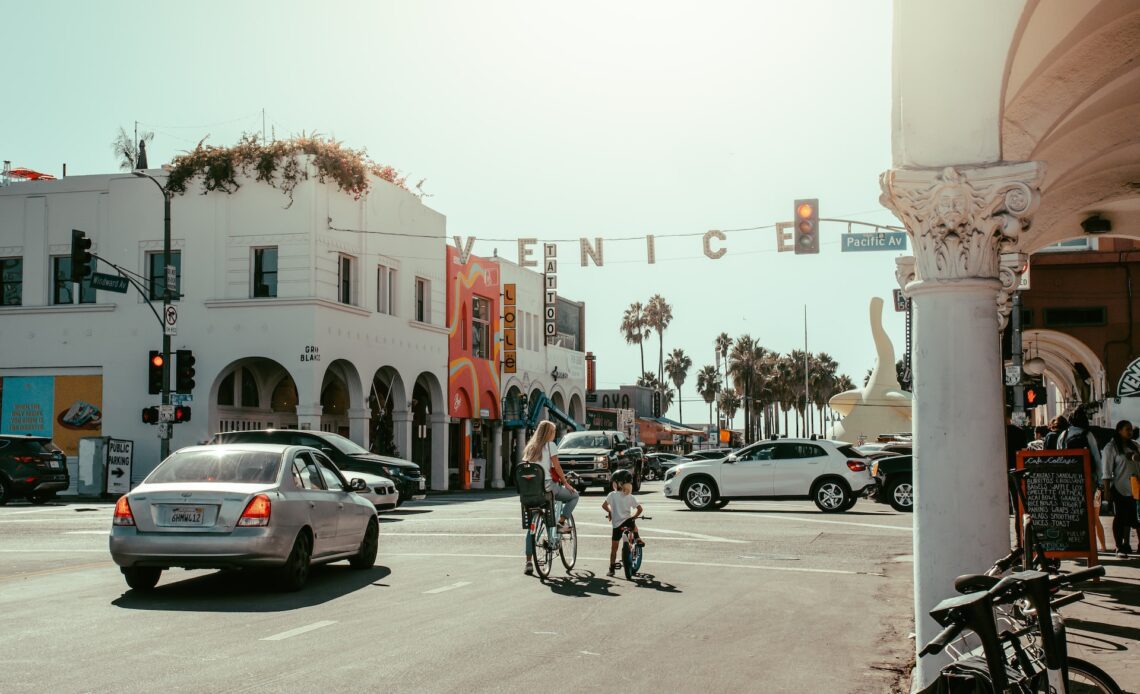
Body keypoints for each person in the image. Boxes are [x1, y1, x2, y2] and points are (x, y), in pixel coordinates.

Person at [521, 420, 579, 575]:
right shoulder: (550, 445)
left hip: (531, 491)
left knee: (531, 528)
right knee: (574, 496)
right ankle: (561, 522)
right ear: (548, 433)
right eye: (553, 432)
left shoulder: (530, 448)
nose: (554, 435)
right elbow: (557, 466)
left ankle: (528, 562)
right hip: (548, 488)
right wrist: (566, 483)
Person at [1060, 407, 1108, 553]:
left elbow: (1059, 457)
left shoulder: (1064, 434)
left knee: (1075, 514)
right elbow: (1096, 458)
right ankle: (1101, 547)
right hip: (1089, 479)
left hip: (1070, 480)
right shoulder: (1087, 434)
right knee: (1094, 516)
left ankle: (1076, 545)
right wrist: (1100, 481)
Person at [1101, 419, 1140, 557]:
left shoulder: (1134, 446)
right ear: (1119, 431)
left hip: (1136, 488)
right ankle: (1120, 546)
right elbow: (1106, 472)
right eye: (1127, 429)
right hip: (1119, 487)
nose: (1130, 432)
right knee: (1120, 517)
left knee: (1135, 518)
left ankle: (1130, 544)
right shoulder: (1111, 448)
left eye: (1131, 429)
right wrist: (1106, 492)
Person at [602, 468, 644, 577]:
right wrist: (634, 517)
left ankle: (611, 569)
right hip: (628, 522)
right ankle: (637, 538)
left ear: (618, 484)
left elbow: (604, 506)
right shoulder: (630, 496)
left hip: (616, 526)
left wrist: (610, 511)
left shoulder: (611, 495)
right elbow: (640, 509)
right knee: (633, 524)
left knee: (614, 549)